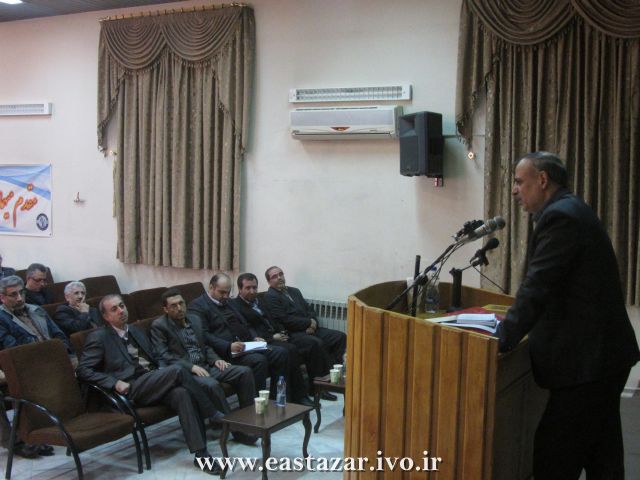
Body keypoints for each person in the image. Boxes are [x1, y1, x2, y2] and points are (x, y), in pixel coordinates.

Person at [495, 151, 640, 480]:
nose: (514, 190)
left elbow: (538, 285)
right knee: (602, 454)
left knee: (554, 458)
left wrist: (502, 338)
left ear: (542, 180)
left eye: (519, 182)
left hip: (586, 365)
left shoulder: (560, 217)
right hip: (602, 360)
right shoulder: (571, 209)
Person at [76, 294, 224, 475]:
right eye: (114, 309)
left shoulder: (135, 330)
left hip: (153, 380)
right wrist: (114, 382)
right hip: (131, 387)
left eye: (122, 306)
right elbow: (83, 370)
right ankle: (212, 412)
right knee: (177, 370)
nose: (121, 311)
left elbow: (156, 356)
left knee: (182, 394)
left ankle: (202, 455)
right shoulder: (99, 337)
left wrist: (161, 371)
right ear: (106, 317)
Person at [151, 289, 259, 444]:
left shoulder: (194, 319)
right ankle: (235, 431)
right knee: (212, 385)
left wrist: (215, 360)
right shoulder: (160, 326)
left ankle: (248, 419)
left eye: (181, 303)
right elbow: (164, 355)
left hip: (206, 365)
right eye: (174, 306)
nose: (179, 308)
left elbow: (205, 345)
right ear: (166, 309)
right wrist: (191, 367)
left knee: (244, 372)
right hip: (187, 374)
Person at [0, 274, 73, 459]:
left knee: (87, 365)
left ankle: (76, 421)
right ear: (2, 297)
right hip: (26, 365)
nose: (19, 298)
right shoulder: (1, 318)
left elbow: (59, 335)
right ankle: (17, 440)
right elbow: (14, 348)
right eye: (13, 295)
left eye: (21, 293)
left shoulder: (37, 310)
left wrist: (60, 350)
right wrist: (48, 352)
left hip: (52, 359)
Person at [188, 274, 290, 399]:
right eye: (222, 292)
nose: (226, 296)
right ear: (211, 287)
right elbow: (203, 335)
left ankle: (277, 398)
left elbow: (245, 323)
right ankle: (258, 402)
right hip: (225, 352)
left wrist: (253, 337)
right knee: (259, 360)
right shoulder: (197, 306)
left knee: (280, 353)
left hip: (245, 345)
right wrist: (228, 346)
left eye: (228, 292)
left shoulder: (228, 302)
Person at [232, 273, 327, 403]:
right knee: (289, 350)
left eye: (254, 287)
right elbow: (247, 329)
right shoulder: (235, 306)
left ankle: (314, 389)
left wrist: (282, 331)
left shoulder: (260, 300)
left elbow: (275, 318)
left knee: (310, 344)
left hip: (278, 335)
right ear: (240, 289)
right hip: (260, 341)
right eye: (248, 288)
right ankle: (296, 396)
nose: (252, 291)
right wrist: (271, 337)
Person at [262, 266, 346, 366]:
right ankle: (322, 374)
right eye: (275, 276)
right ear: (269, 282)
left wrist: (313, 324)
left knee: (340, 337)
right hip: (293, 333)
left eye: (281, 274)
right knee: (315, 343)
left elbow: (309, 309)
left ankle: (336, 369)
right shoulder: (270, 296)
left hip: (311, 329)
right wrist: (309, 322)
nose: (279, 277)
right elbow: (284, 319)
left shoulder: (294, 291)